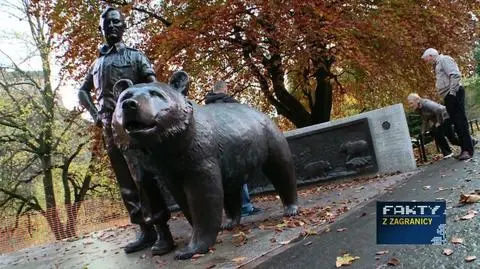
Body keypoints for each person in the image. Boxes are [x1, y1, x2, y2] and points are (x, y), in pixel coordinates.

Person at [77, 7, 173, 255]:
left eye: (115, 22)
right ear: (101, 28)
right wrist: (96, 115)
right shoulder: (97, 63)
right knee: (126, 183)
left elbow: (153, 88)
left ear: (123, 26)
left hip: (133, 125)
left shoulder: (136, 56)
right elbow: (82, 92)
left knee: (143, 177)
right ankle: (145, 230)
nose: (111, 27)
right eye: (106, 24)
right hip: (109, 126)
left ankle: (163, 231)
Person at [205, 81, 261, 217]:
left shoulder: (206, 107)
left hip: (216, 147)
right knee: (239, 176)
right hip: (233, 144)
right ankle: (246, 207)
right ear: (225, 89)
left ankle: (231, 211)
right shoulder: (231, 103)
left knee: (223, 179)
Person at [421, 48, 474, 160]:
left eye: (427, 60)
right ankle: (465, 149)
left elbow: (455, 75)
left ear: (431, 56)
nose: (427, 62)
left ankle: (468, 150)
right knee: (456, 123)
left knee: (460, 122)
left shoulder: (444, 60)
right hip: (448, 95)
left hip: (454, 93)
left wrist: (452, 93)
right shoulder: (438, 64)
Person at [407, 93, 460, 158]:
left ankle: (468, 143)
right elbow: (425, 119)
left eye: (411, 103)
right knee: (436, 132)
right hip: (440, 119)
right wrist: (422, 131)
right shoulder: (418, 109)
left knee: (451, 138)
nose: (410, 105)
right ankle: (447, 152)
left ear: (417, 100)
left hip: (445, 116)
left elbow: (439, 110)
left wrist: (439, 122)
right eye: (409, 103)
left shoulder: (426, 104)